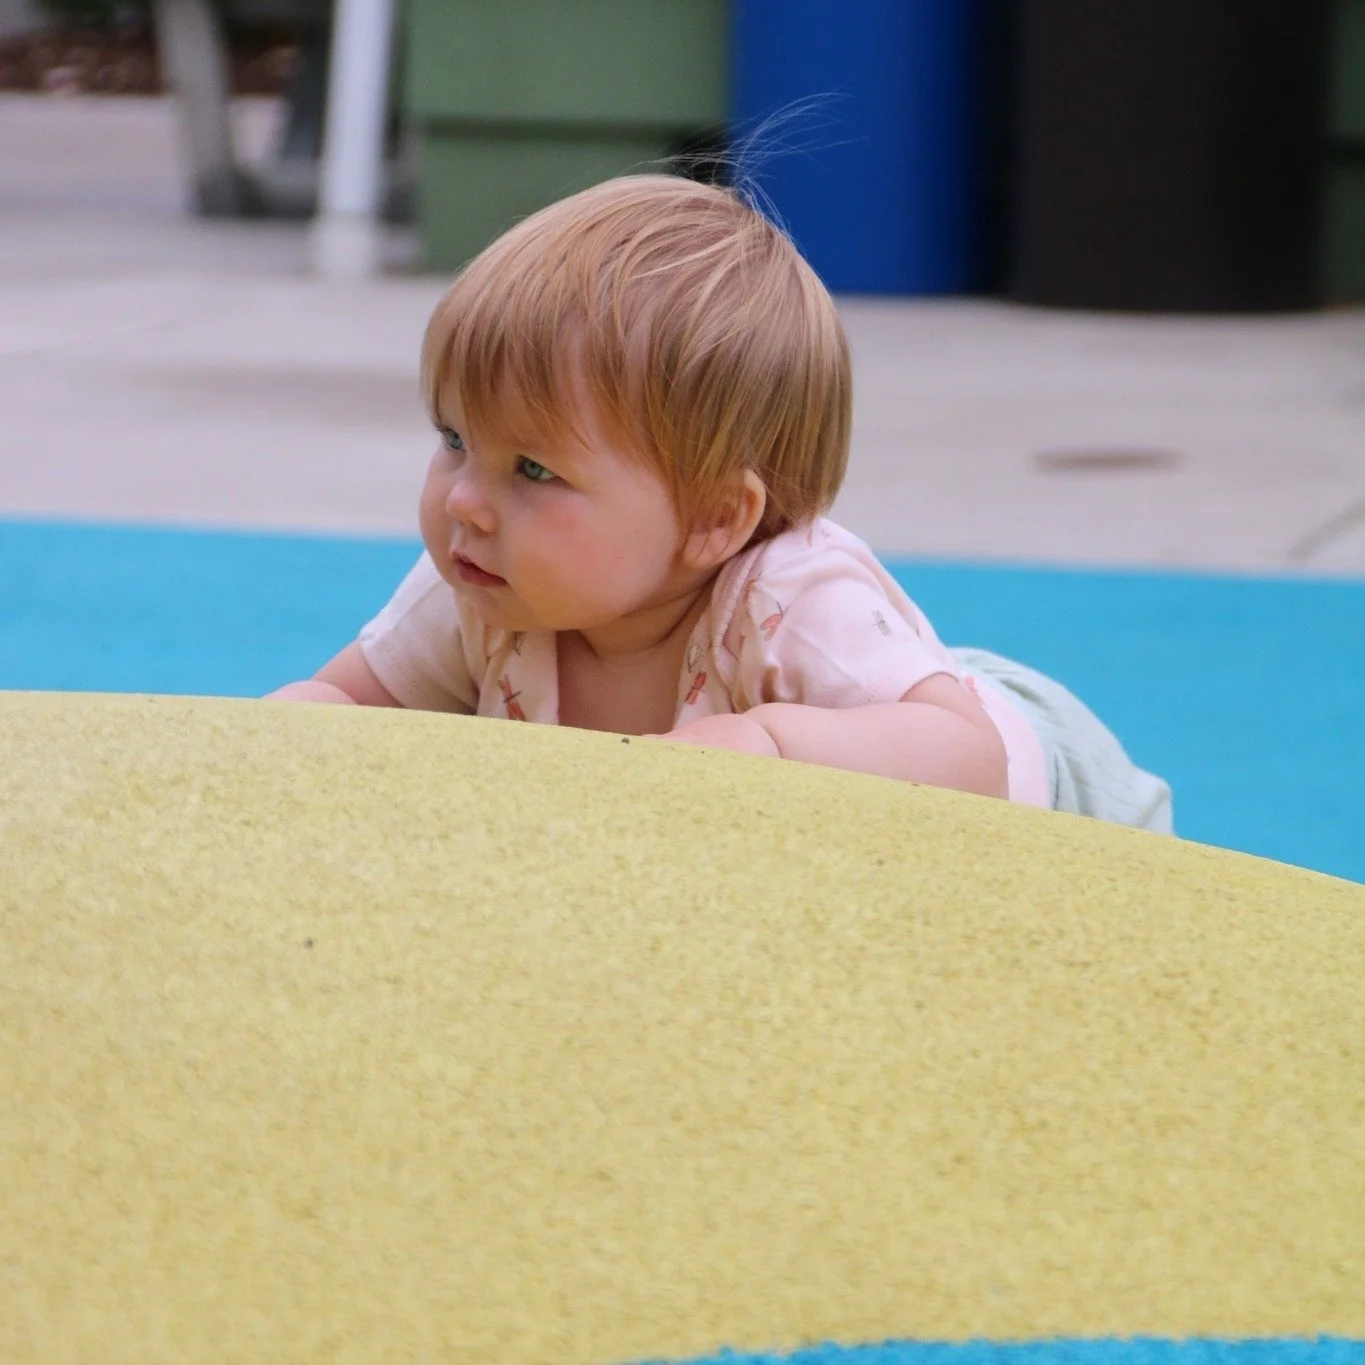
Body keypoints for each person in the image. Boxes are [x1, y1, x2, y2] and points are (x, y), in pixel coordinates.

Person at [269, 174, 1171, 831]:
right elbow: (345, 701)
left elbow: (969, 755)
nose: (464, 501)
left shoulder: (792, 607)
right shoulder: (482, 583)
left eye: (534, 470)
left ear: (713, 518)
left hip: (1052, 790)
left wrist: (777, 744)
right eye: (454, 439)